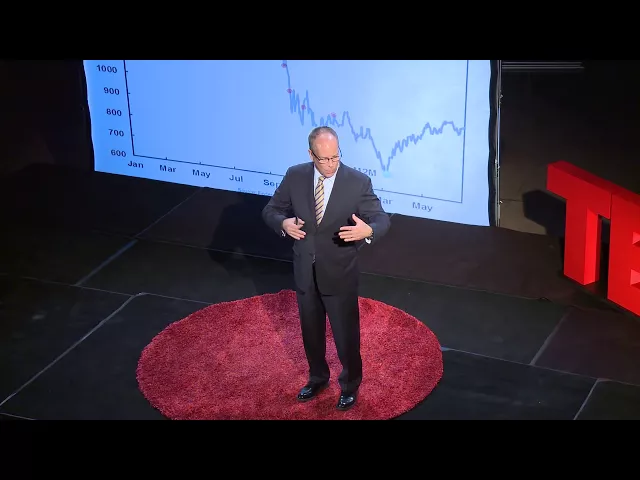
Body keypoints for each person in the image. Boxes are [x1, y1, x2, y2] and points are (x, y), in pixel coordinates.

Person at [261, 126, 390, 411]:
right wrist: (283, 224)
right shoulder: (295, 175)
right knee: (311, 331)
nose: (331, 164)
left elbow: (381, 218)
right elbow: (271, 210)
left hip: (339, 273)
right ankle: (317, 378)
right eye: (324, 159)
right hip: (305, 271)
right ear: (311, 154)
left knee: (346, 335)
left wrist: (368, 231)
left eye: (335, 157)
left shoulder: (357, 182)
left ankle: (350, 385)